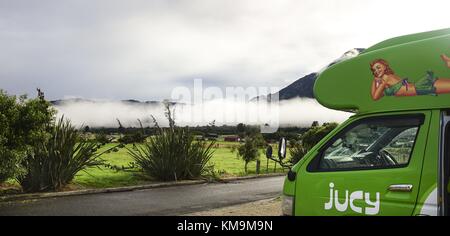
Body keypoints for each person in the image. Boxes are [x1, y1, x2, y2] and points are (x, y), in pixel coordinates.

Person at [370, 54, 450, 100]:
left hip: (421, 88)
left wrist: (377, 82)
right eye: (374, 70)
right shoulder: (387, 78)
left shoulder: (386, 79)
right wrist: (374, 81)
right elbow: (377, 96)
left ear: (384, 66)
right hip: (420, 88)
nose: (376, 71)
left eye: (378, 67)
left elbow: (375, 97)